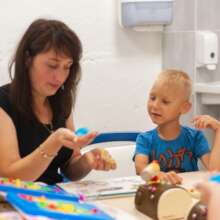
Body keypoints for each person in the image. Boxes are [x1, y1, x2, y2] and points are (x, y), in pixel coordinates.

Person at [0, 18, 116, 185]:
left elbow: (70, 167)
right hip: (16, 202)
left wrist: (88, 160)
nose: (60, 77)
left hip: (54, 199)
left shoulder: (60, 101)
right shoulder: (4, 103)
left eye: (67, 67)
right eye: (52, 65)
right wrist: (53, 143)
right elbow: (9, 177)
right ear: (27, 59)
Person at [133, 69, 219, 184]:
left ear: (184, 108)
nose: (155, 105)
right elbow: (140, 168)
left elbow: (215, 171)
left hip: (188, 196)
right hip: (158, 197)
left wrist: (218, 129)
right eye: (152, 98)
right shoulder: (144, 139)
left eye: (165, 101)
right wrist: (158, 175)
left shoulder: (195, 138)